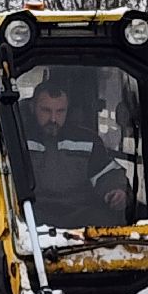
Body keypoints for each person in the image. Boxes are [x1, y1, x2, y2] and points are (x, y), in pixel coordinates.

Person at [23, 81, 131, 228]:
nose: (53, 119)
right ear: (32, 108)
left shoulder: (87, 141)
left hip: (79, 216)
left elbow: (106, 173)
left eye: (60, 111)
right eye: (46, 110)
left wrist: (116, 190)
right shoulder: (18, 140)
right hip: (32, 215)